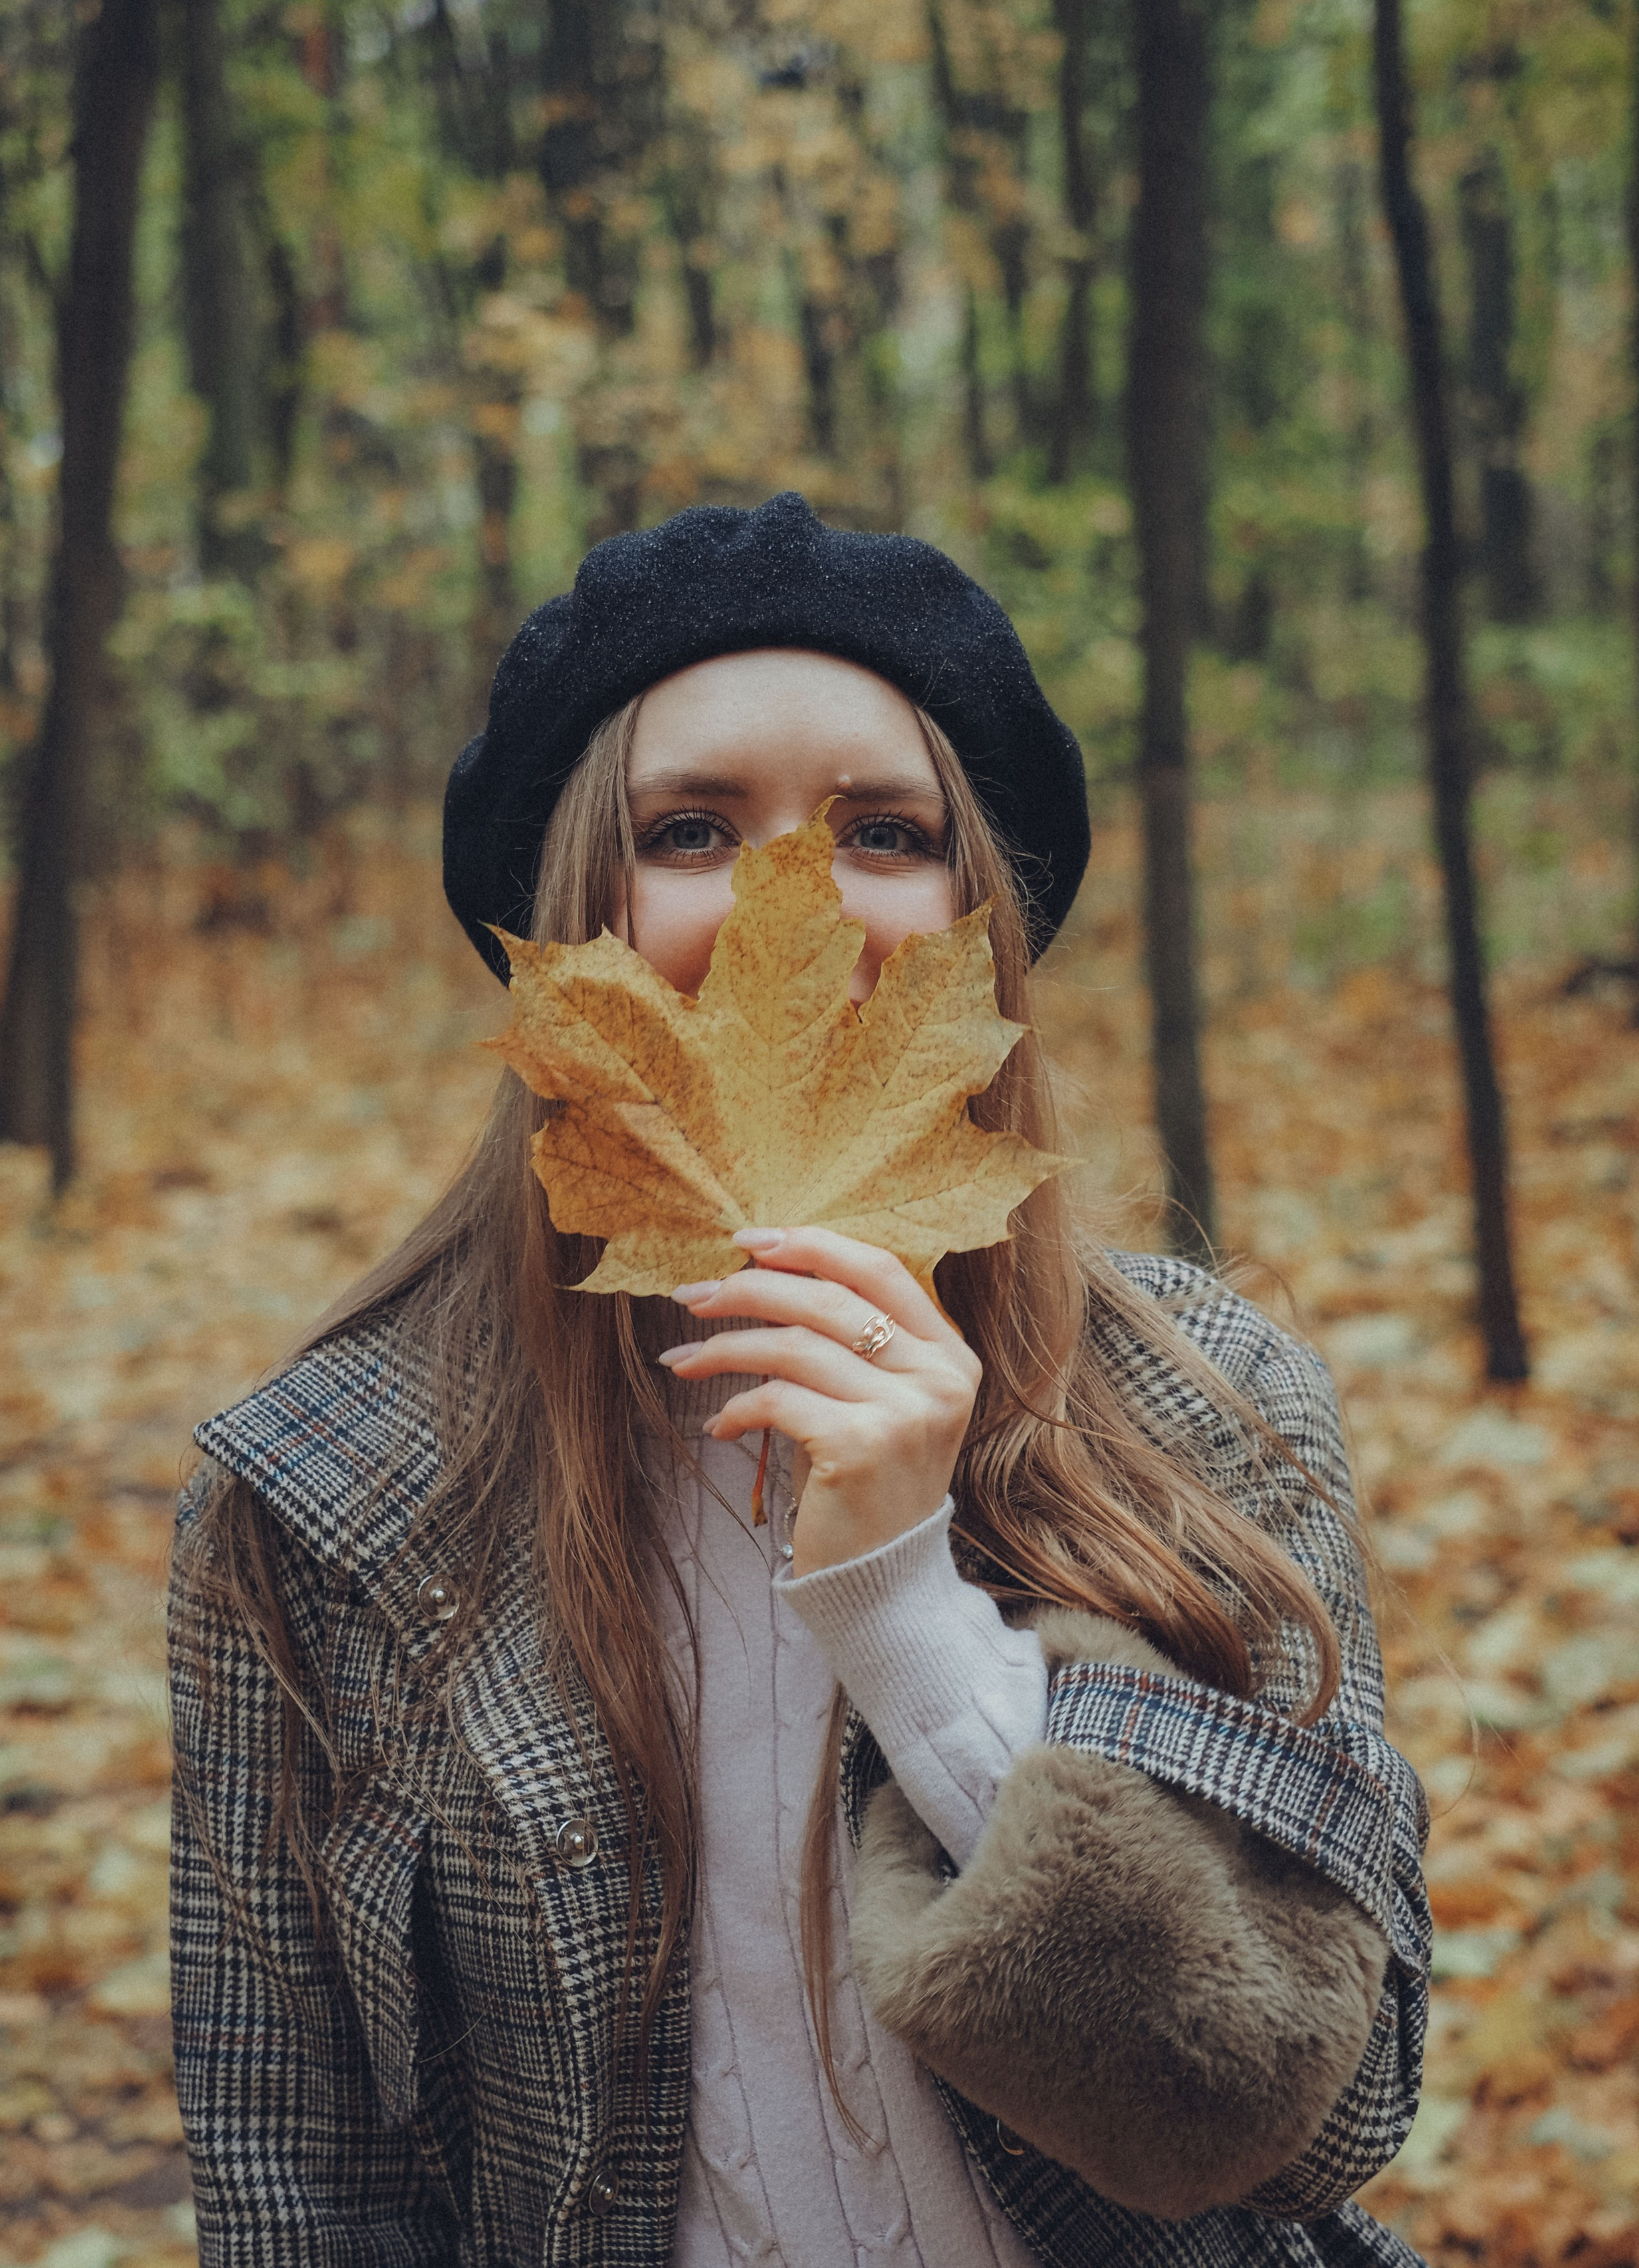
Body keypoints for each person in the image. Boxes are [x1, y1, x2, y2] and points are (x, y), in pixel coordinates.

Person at [168, 492, 1430, 2268]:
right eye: (689, 827)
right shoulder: (318, 1498)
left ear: (978, 923)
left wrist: (910, 1610)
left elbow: (1332, 2118)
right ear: (568, 934)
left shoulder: (1207, 1408)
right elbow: (298, 2180)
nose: (797, 898)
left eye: (887, 831)